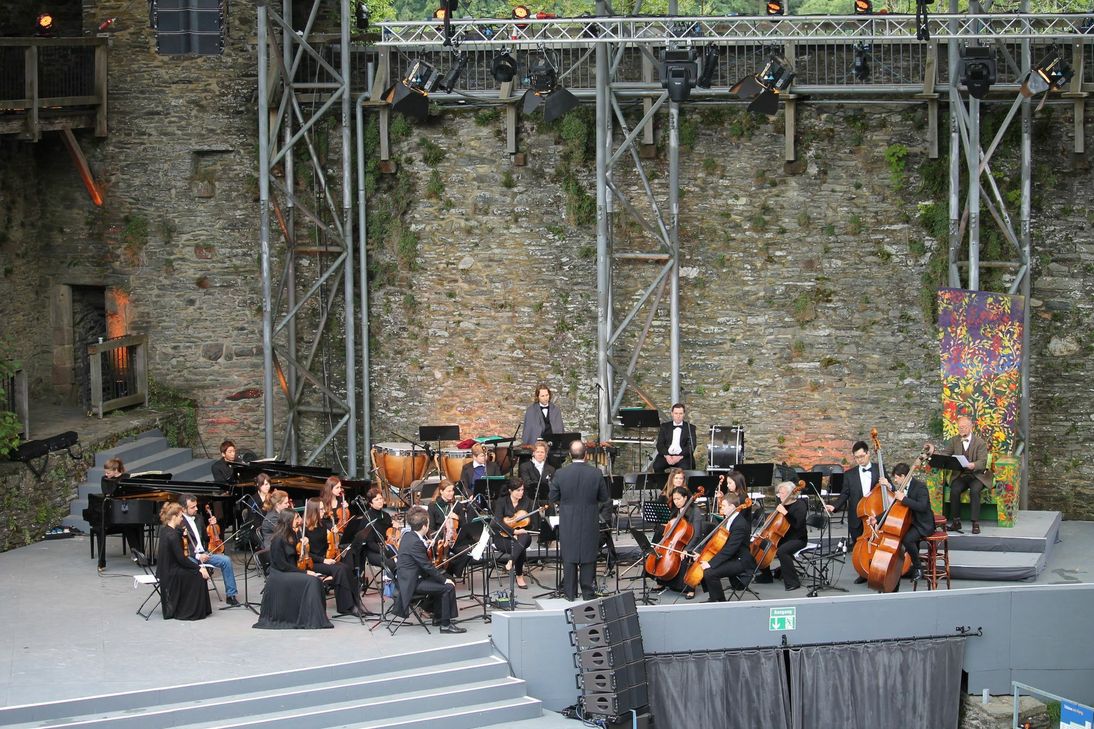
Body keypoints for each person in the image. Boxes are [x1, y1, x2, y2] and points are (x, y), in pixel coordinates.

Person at [548, 441, 609, 601]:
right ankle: (588, 593)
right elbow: (604, 497)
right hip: (590, 518)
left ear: (569, 455)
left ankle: (570, 593)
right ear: (586, 454)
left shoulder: (561, 473)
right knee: (589, 555)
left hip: (568, 519)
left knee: (569, 555)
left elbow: (553, 497)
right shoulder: (595, 473)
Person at [253, 510, 333, 629]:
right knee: (312, 580)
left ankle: (313, 618)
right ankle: (312, 619)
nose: (299, 521)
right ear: (289, 520)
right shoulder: (278, 539)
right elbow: (281, 565)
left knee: (315, 580)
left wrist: (304, 546)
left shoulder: (292, 535)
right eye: (296, 518)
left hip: (289, 571)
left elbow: (297, 558)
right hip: (280, 575)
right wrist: (305, 572)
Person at [396, 505, 465, 634]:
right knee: (448, 586)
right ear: (424, 526)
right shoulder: (416, 542)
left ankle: (439, 617)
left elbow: (417, 554)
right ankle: (445, 624)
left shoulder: (409, 536)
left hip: (409, 577)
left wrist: (425, 544)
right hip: (412, 583)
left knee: (447, 579)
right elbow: (427, 567)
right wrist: (444, 581)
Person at [825, 440, 880, 584]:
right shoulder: (849, 474)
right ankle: (863, 572)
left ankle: (876, 570)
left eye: (862, 456)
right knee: (859, 545)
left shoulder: (879, 468)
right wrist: (834, 506)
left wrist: (888, 485)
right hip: (856, 515)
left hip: (874, 514)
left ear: (868, 454)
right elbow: (845, 494)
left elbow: (888, 488)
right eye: (856, 457)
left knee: (876, 544)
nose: (860, 460)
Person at [925, 415, 992, 534]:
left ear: (970, 427)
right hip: (961, 475)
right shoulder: (954, 440)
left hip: (977, 475)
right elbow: (946, 454)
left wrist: (973, 465)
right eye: (960, 428)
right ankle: (956, 522)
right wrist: (935, 455)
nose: (961, 430)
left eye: (964, 427)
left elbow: (982, 461)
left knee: (975, 491)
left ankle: (975, 523)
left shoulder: (980, 442)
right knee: (954, 490)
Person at [303, 498, 363, 616]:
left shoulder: (322, 524)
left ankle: (354, 603)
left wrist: (334, 535)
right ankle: (345, 607)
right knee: (339, 569)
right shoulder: (304, 529)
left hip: (325, 559)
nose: (323, 511)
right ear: (313, 511)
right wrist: (324, 560)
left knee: (345, 567)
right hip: (313, 562)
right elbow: (306, 553)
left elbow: (328, 545)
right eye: (320, 509)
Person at [178, 494, 240, 607]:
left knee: (226, 560)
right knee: (195, 565)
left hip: (204, 553)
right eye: (192, 507)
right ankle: (196, 599)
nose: (196, 509)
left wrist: (213, 526)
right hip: (190, 557)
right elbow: (180, 547)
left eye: (196, 506)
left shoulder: (199, 518)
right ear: (183, 509)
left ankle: (231, 595)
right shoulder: (179, 522)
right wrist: (198, 556)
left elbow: (207, 538)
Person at [694, 492, 757, 603]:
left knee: (710, 571)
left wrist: (711, 563)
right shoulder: (729, 519)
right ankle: (716, 597)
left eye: (723, 506)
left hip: (741, 561)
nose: (721, 508)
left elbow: (730, 549)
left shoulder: (740, 525)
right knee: (703, 564)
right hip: (732, 557)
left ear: (732, 507)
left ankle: (719, 601)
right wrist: (703, 555)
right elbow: (720, 544)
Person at [879, 462, 935, 583]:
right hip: (911, 521)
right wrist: (877, 519)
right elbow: (893, 508)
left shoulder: (920, 487)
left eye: (897, 477)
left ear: (904, 476)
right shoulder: (903, 487)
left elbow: (922, 506)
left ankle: (918, 568)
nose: (895, 480)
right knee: (902, 536)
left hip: (923, 523)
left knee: (907, 539)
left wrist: (904, 499)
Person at [156, 502, 212, 621]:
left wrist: (182, 533)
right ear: (174, 517)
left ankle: (199, 608)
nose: (182, 519)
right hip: (172, 572)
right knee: (198, 575)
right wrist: (199, 568)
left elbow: (176, 535)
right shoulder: (172, 536)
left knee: (197, 572)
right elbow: (181, 559)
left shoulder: (165, 530)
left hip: (165, 570)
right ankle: (190, 610)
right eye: (181, 516)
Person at [648, 485, 703, 599]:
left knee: (684, 559)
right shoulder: (675, 510)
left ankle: (690, 589)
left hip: (690, 543)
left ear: (686, 498)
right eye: (674, 499)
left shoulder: (695, 511)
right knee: (657, 555)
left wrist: (687, 550)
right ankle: (662, 582)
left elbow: (697, 534)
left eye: (679, 499)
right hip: (676, 543)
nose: (676, 502)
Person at [754, 481, 808, 592]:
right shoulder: (781, 505)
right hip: (782, 537)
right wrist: (763, 532)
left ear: (791, 494)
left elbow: (798, 525)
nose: (780, 496)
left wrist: (786, 513)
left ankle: (793, 582)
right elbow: (774, 524)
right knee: (762, 544)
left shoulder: (800, 505)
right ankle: (766, 576)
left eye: (782, 493)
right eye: (779, 493)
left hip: (798, 538)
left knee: (782, 551)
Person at [97, 458, 145, 568]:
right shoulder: (105, 479)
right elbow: (108, 493)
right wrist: (114, 480)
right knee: (128, 525)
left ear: (115, 470)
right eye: (105, 472)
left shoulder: (126, 477)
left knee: (136, 524)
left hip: (127, 509)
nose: (106, 474)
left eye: (108, 472)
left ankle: (139, 554)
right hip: (112, 513)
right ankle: (138, 555)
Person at [494, 482, 536, 589]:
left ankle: (511, 561)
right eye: (518, 490)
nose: (521, 493)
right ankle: (519, 575)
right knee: (520, 547)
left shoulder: (527, 502)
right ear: (510, 491)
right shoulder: (501, 502)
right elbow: (497, 522)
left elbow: (534, 525)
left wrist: (525, 525)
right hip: (503, 537)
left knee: (523, 539)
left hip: (522, 536)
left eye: (522, 490)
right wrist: (514, 532)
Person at [428, 480, 473, 577]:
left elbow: (464, 525)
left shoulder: (457, 505)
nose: (451, 493)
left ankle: (453, 569)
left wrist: (458, 517)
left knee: (467, 551)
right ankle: (446, 573)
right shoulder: (433, 506)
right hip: (440, 539)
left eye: (452, 491)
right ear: (441, 491)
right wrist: (438, 540)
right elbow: (431, 527)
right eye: (448, 491)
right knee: (442, 553)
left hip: (454, 538)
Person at [352, 487, 396, 575]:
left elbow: (391, 534)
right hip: (373, 551)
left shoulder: (386, 515)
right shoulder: (367, 517)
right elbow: (370, 543)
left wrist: (395, 528)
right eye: (376, 500)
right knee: (392, 563)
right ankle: (393, 585)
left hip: (387, 547)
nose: (380, 501)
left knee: (404, 559)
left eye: (380, 498)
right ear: (370, 503)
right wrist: (385, 551)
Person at [651, 403, 697, 472]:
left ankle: (682, 482)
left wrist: (679, 457)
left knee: (687, 468)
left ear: (684, 414)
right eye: (676, 413)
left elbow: (692, 445)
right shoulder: (664, 426)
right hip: (667, 455)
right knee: (657, 466)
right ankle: (663, 482)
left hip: (683, 456)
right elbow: (660, 444)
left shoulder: (690, 427)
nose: (678, 416)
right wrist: (667, 456)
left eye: (680, 413)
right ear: (672, 413)